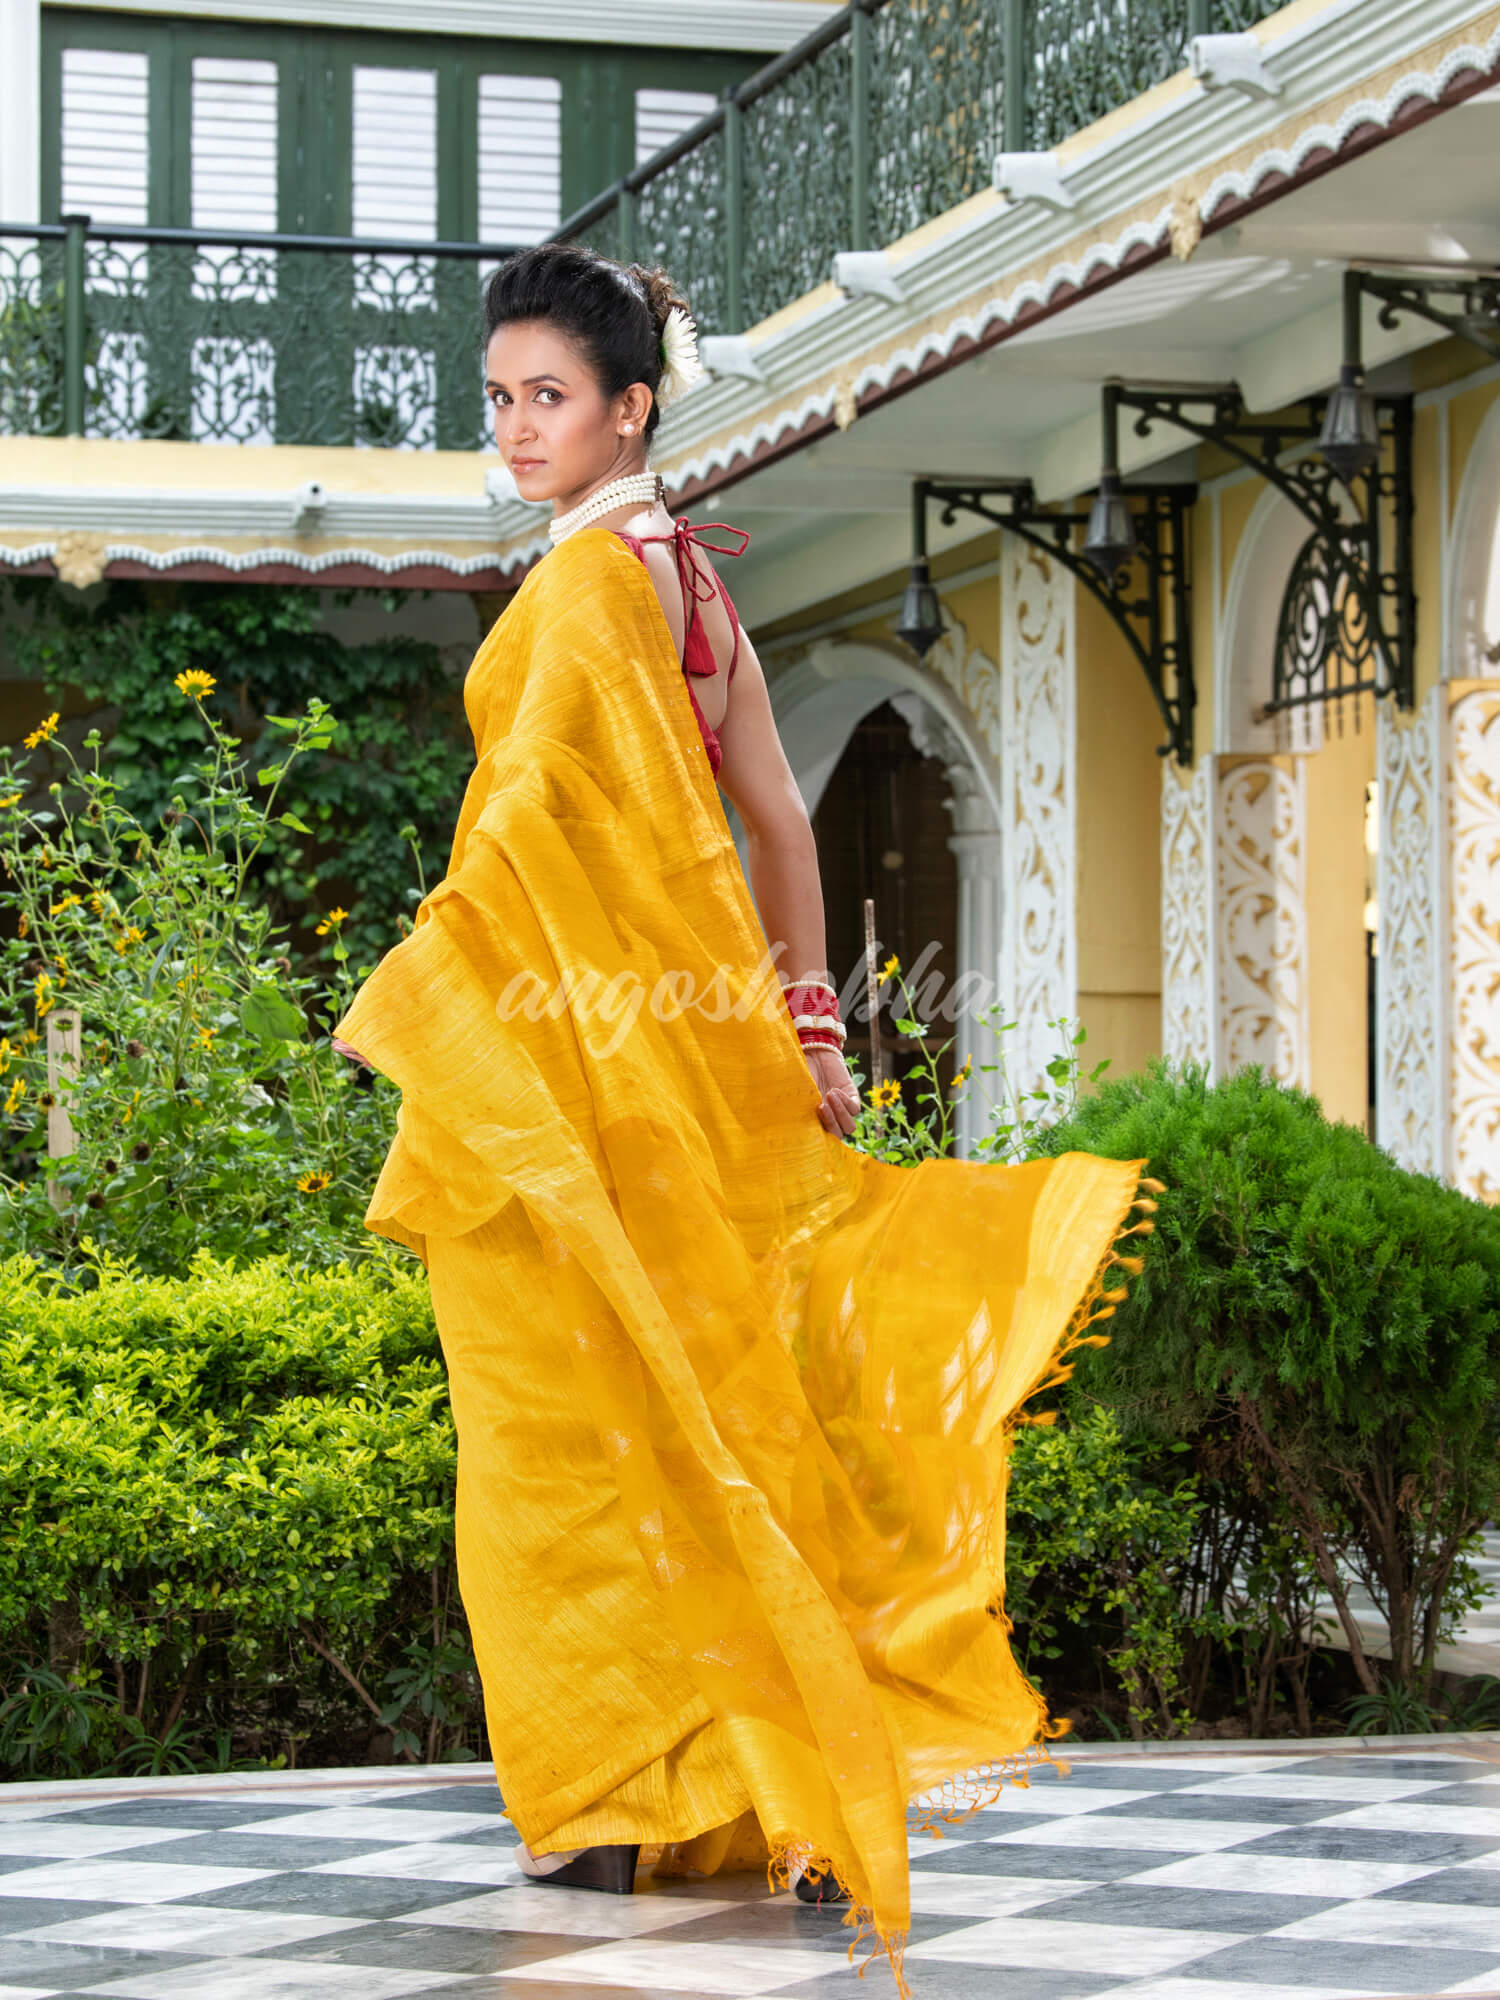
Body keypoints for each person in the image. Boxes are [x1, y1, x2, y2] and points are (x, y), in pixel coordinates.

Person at [331, 243, 1152, 1997]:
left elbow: (526, 838)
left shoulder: (586, 594)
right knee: (714, 1399)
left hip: (597, 1068)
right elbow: (778, 825)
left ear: (634, 404)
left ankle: (632, 1786)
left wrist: (447, 984)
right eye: (500, 398)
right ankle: (715, 1779)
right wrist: (805, 1025)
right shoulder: (687, 578)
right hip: (686, 1057)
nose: (518, 427)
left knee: (567, 1430)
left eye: (549, 396)